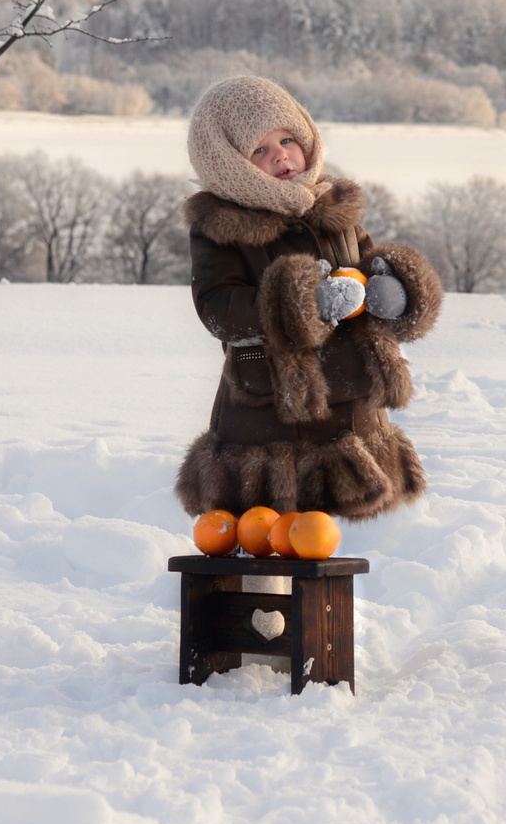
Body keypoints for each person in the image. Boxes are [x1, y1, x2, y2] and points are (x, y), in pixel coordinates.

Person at [173, 75, 443, 520]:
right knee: (269, 534)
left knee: (323, 553)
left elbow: (367, 260)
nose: (280, 154)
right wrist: (302, 303)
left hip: (352, 414)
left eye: (286, 138)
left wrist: (395, 289)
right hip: (269, 418)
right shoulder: (221, 229)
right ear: (229, 164)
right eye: (258, 150)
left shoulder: (333, 210)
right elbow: (218, 309)